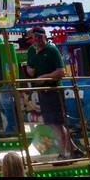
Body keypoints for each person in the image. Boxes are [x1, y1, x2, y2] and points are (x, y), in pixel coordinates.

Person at [23, 26, 78, 159]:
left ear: (44, 37)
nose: (37, 40)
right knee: (54, 123)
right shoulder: (31, 50)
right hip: (43, 92)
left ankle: (63, 154)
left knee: (56, 124)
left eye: (40, 37)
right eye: (35, 38)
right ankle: (74, 150)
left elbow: (61, 72)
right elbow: (30, 67)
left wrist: (44, 77)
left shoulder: (52, 50)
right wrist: (29, 69)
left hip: (54, 90)